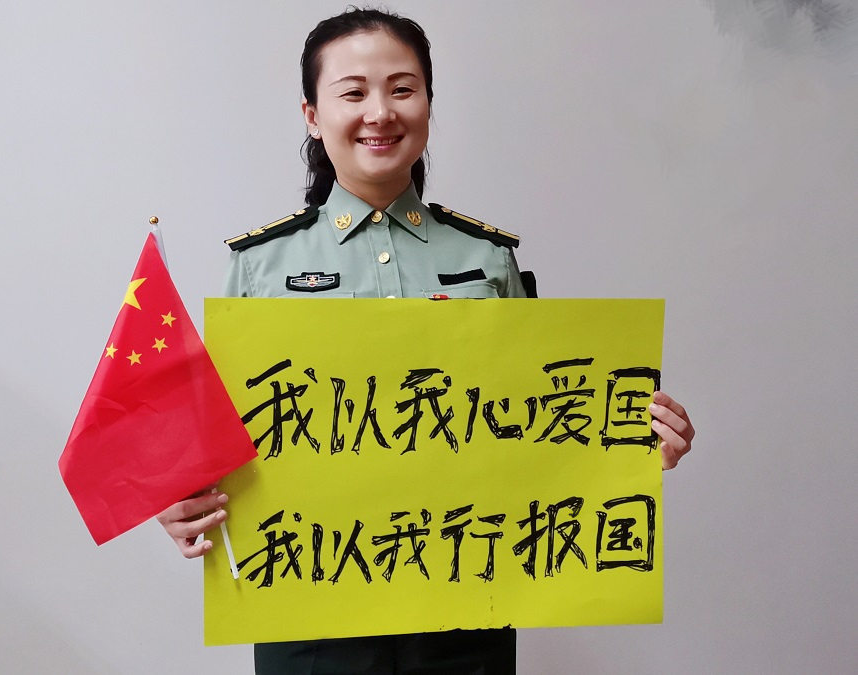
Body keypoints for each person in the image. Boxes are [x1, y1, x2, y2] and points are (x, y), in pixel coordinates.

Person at [157, 7, 695, 674]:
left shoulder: (487, 258)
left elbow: (534, 429)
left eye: (402, 89)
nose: (380, 112)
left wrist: (629, 449)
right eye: (353, 92)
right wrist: (177, 497)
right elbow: (209, 438)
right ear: (312, 115)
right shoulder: (259, 267)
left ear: (429, 106)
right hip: (308, 613)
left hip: (464, 614)